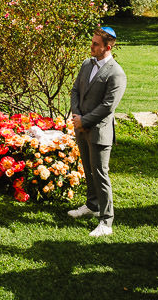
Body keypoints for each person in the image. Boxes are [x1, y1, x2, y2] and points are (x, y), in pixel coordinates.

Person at [67, 25, 127, 237]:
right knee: (88, 169)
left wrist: (85, 120)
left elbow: (108, 106)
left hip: (99, 131)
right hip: (81, 127)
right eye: (92, 42)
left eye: (96, 44)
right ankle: (92, 205)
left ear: (108, 47)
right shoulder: (86, 64)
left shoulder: (116, 73)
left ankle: (106, 221)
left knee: (101, 174)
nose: (91, 46)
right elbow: (75, 90)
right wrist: (77, 116)